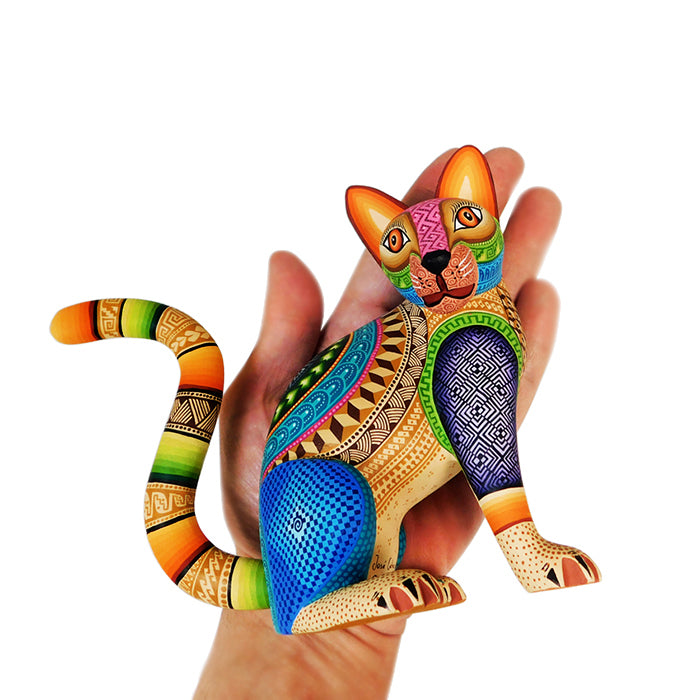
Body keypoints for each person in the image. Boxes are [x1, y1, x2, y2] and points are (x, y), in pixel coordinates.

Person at [194, 146, 562, 698]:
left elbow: (483, 441)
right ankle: (314, 607)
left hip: (350, 517)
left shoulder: (468, 327)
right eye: (399, 246)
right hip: (311, 497)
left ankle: (330, 596)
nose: (434, 256)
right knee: (345, 498)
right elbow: (487, 453)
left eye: (465, 221)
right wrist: (529, 555)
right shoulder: (467, 338)